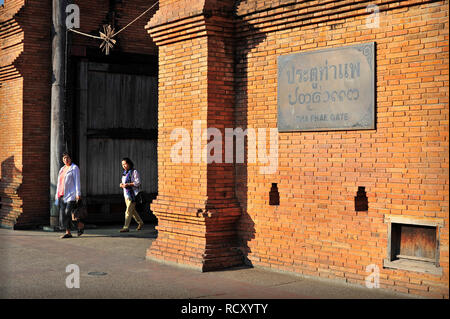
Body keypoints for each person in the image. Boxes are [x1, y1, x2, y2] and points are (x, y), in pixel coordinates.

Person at [55, 152, 83, 238]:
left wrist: (78, 194)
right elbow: (59, 183)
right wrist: (57, 195)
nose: (66, 160)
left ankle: (80, 224)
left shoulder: (74, 168)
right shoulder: (62, 169)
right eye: (64, 158)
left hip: (71, 194)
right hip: (62, 194)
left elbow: (77, 182)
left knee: (68, 212)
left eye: (67, 158)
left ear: (70, 158)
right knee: (63, 214)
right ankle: (68, 232)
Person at [119, 157, 144, 232]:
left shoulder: (134, 172)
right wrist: (121, 184)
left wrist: (128, 184)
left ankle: (126, 227)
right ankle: (140, 222)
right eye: (122, 164)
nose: (124, 166)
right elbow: (124, 183)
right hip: (126, 194)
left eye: (125, 164)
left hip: (133, 194)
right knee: (132, 211)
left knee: (128, 211)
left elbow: (138, 182)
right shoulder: (125, 173)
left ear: (129, 163)